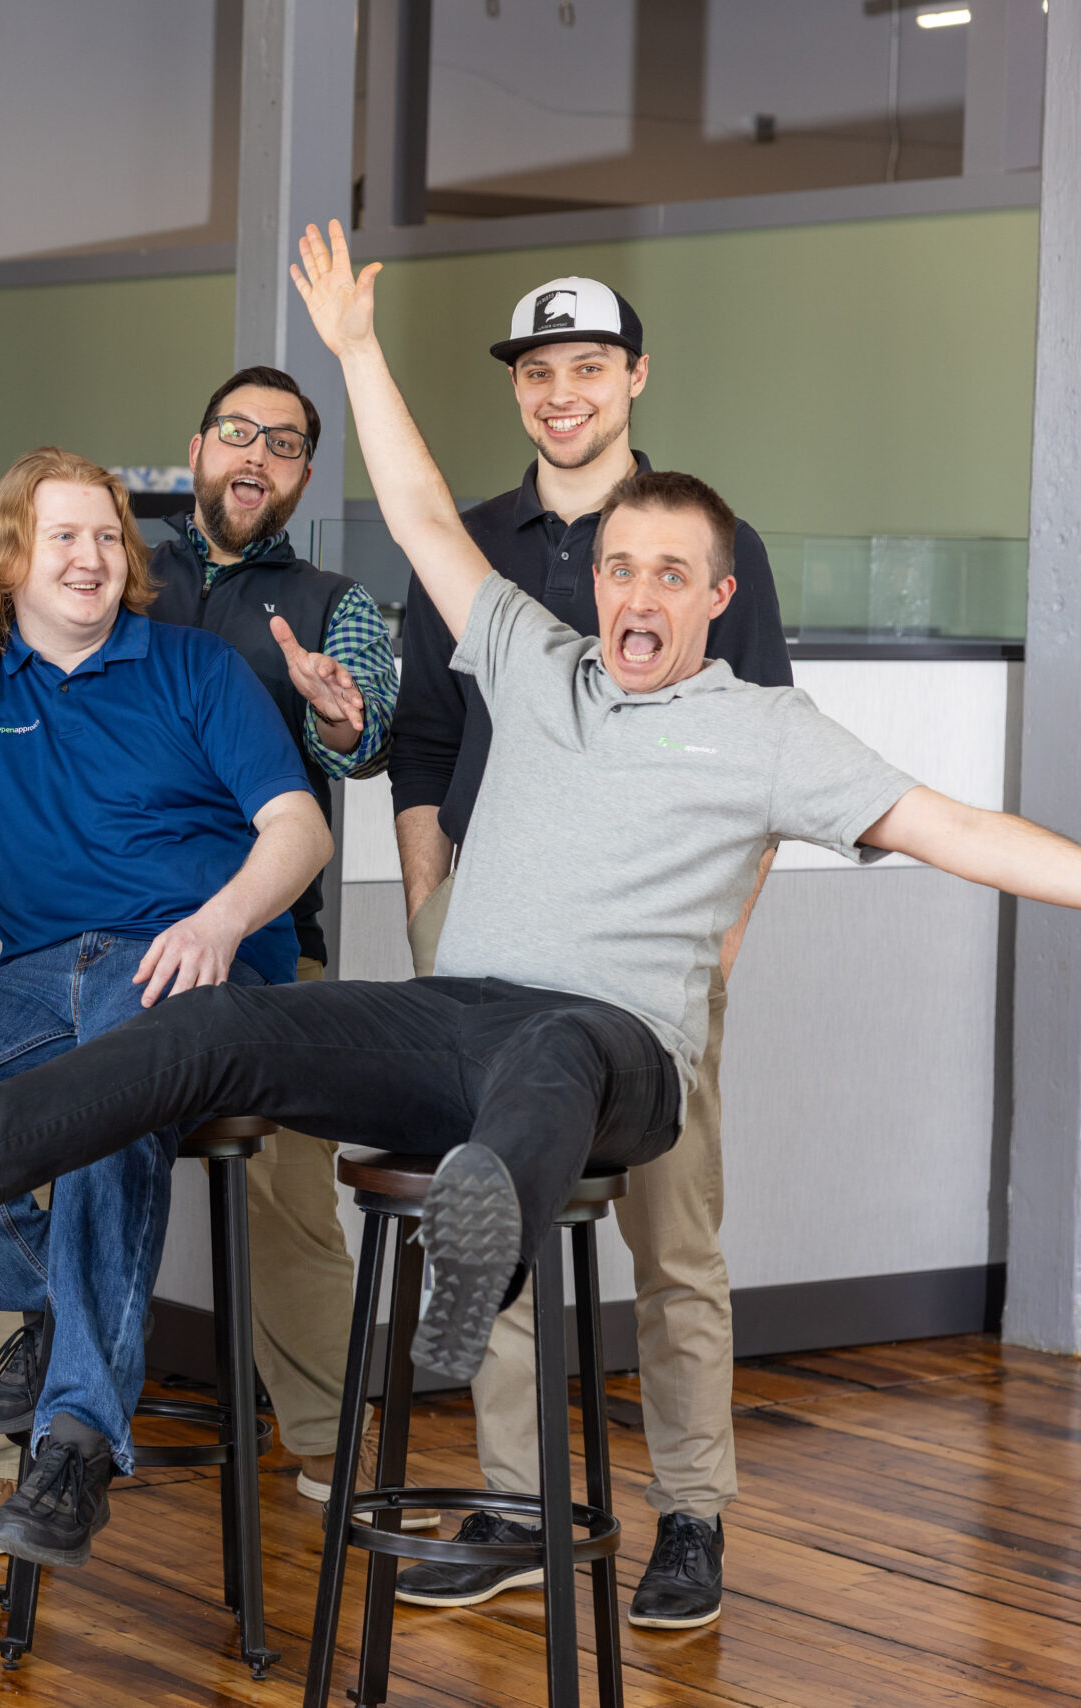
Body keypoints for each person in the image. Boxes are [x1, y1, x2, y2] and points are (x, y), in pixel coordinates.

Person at [0, 222, 1081, 1586]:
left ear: (720, 592)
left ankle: (500, 1279)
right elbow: (415, 516)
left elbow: (963, 831)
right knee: (220, 1028)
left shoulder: (768, 730)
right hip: (456, 1006)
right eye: (620, 569)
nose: (637, 593)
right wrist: (355, 348)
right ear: (590, 581)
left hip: (616, 1041)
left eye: (670, 574)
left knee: (558, 1062)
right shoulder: (531, 657)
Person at [0, 366, 399, 1544]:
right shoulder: (4, 655)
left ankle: (87, 1440)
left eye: (284, 443)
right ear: (197, 449)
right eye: (238, 433)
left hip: (229, 951)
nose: (90, 556)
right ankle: (49, 1347)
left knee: (148, 1124)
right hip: (57, 966)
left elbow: (339, 769)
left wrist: (336, 725)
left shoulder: (304, 614)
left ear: (305, 472)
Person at [386, 277, 790, 1627]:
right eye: (538, 369)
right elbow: (426, 742)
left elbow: (766, 752)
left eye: (589, 365)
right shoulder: (471, 543)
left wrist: (716, 941)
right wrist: (433, 908)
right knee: (498, 1214)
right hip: (491, 949)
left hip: (657, 949)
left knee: (674, 1247)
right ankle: (514, 1507)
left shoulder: (699, 541)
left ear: (635, 377)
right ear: (517, 386)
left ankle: (691, 1518)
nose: (562, 392)